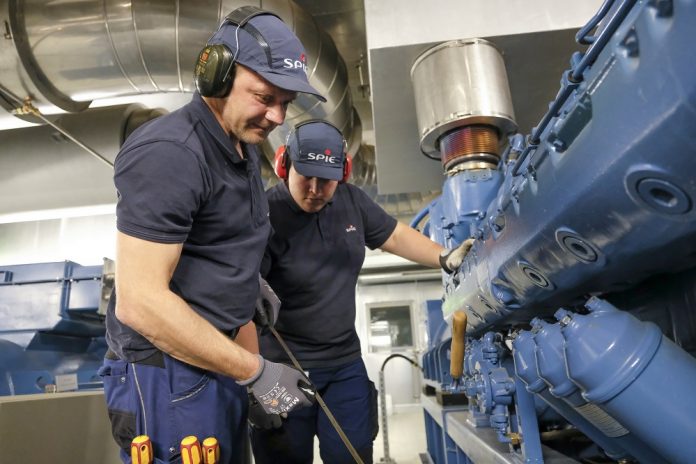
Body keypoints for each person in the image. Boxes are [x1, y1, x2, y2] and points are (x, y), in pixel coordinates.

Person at [99, 7, 324, 464]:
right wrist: (256, 372)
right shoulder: (172, 153)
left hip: (215, 359)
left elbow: (215, 244)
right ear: (216, 75)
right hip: (168, 375)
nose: (277, 115)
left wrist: (244, 285)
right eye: (264, 97)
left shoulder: (241, 149)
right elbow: (140, 303)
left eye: (286, 102)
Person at [250, 120, 474, 463]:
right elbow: (242, 303)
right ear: (284, 165)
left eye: (326, 180)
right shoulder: (264, 215)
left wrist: (442, 257)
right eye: (305, 177)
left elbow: (394, 235)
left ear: (343, 174)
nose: (315, 189)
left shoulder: (352, 202)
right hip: (282, 367)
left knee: (352, 454)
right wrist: (255, 378)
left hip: (343, 364)